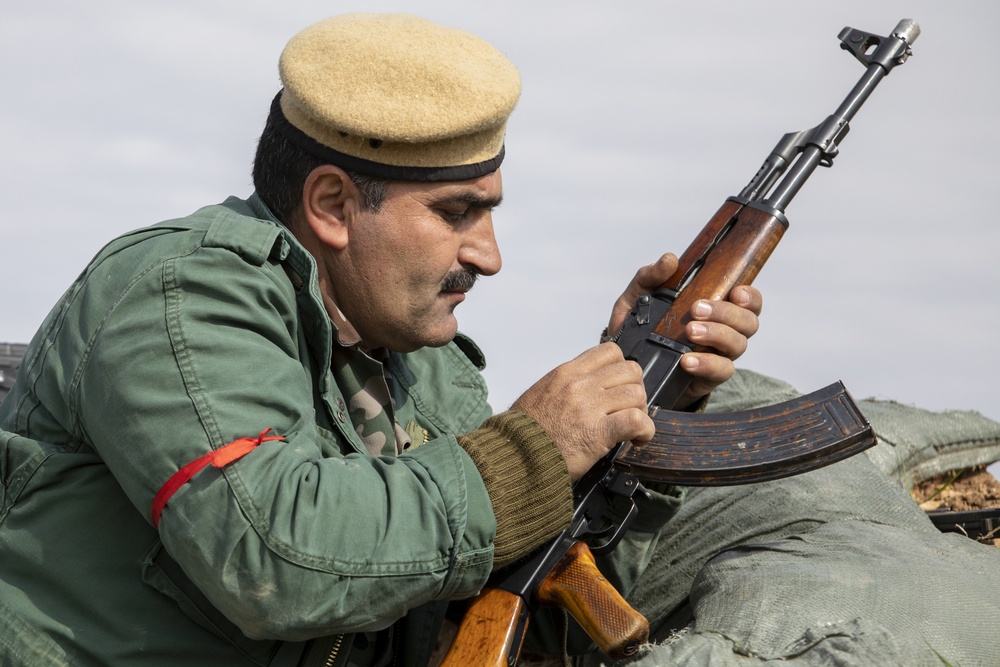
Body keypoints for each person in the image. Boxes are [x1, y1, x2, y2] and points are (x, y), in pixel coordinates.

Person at [0, 13, 762, 667]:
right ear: (332, 204)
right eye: (457, 212)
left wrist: (646, 397)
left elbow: (524, 601)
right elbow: (274, 560)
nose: (489, 255)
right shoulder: (180, 296)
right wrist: (533, 448)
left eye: (490, 212)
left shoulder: (425, 367)